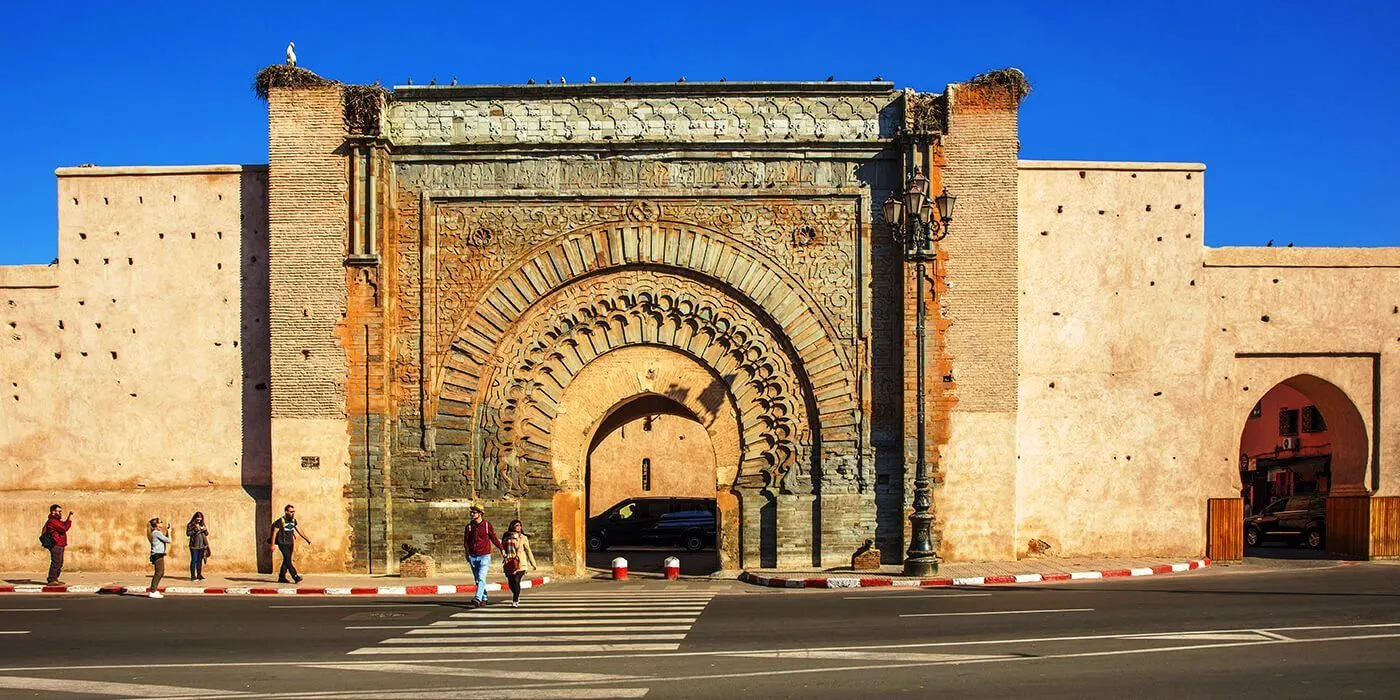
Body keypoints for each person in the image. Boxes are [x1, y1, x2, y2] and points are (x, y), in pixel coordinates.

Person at [463, 505, 503, 607]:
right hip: (473, 556)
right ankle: (484, 598)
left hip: (484, 555)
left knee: (481, 577)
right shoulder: (469, 526)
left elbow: (493, 538)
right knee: (478, 580)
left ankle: (477, 597)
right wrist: (467, 554)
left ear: (480, 514)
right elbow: (466, 542)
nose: (472, 514)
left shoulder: (486, 525)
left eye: (474, 512)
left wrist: (501, 549)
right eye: (471, 512)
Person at [269, 504, 311, 584]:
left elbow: (299, 530)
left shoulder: (293, 521)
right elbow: (274, 533)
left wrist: (307, 539)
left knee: (286, 560)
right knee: (288, 560)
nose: (293, 513)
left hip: (290, 543)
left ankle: (281, 577)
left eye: (293, 512)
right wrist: (272, 545)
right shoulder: (280, 521)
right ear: (286, 512)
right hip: (283, 543)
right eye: (291, 512)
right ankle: (295, 576)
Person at [501, 519, 538, 608]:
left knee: (517, 580)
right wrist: (504, 554)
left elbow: (528, 551)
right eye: (517, 525)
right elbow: (502, 548)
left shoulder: (523, 538)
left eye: (520, 525)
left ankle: (515, 600)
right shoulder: (507, 537)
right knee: (511, 583)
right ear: (512, 527)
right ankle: (516, 594)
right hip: (509, 562)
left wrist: (533, 563)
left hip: (521, 563)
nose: (519, 527)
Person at [42, 504, 73, 585]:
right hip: (56, 544)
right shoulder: (53, 521)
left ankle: (55, 578)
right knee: (56, 562)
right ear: (53, 511)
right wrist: (70, 520)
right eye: (59, 511)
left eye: (60, 511)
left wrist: (69, 516)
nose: (60, 513)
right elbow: (64, 528)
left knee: (59, 562)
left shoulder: (57, 521)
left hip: (60, 544)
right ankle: (51, 579)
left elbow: (64, 525)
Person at [148, 517, 172, 598]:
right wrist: (169, 532)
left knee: (160, 572)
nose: (162, 523)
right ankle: (153, 591)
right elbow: (169, 540)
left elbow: (164, 539)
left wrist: (167, 532)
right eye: (160, 522)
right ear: (156, 525)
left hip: (159, 554)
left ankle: (154, 589)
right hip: (157, 554)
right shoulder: (156, 533)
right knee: (159, 573)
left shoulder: (157, 533)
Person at [186, 512, 211, 581]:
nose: (199, 521)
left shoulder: (202, 524)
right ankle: (193, 576)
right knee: (194, 560)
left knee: (200, 561)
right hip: (194, 546)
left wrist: (204, 529)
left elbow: (206, 534)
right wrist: (195, 529)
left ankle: (199, 575)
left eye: (200, 519)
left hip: (202, 546)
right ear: (195, 518)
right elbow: (188, 534)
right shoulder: (190, 525)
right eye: (198, 519)